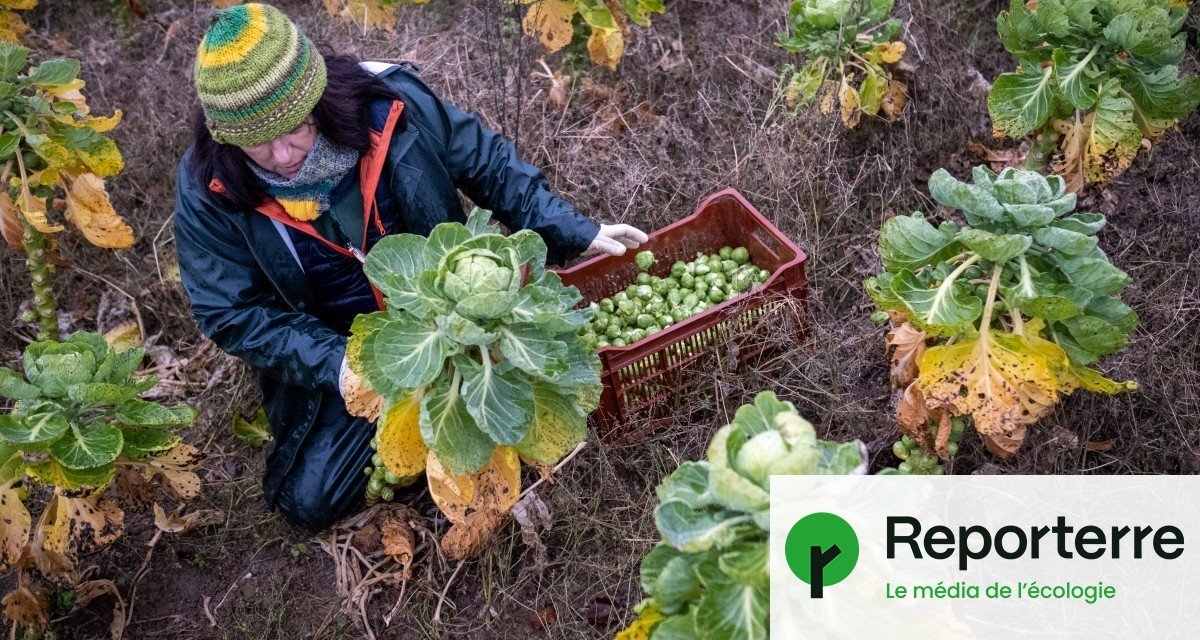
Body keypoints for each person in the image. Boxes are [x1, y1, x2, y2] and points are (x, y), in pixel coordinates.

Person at [173, 3, 646, 532]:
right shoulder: (206, 188)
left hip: (449, 316)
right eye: (258, 144)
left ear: (318, 100)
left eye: (296, 131)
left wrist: (574, 230)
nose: (283, 156)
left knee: (536, 396)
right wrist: (339, 365)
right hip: (351, 352)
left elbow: (484, 160)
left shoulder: (388, 102)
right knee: (308, 502)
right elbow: (232, 313)